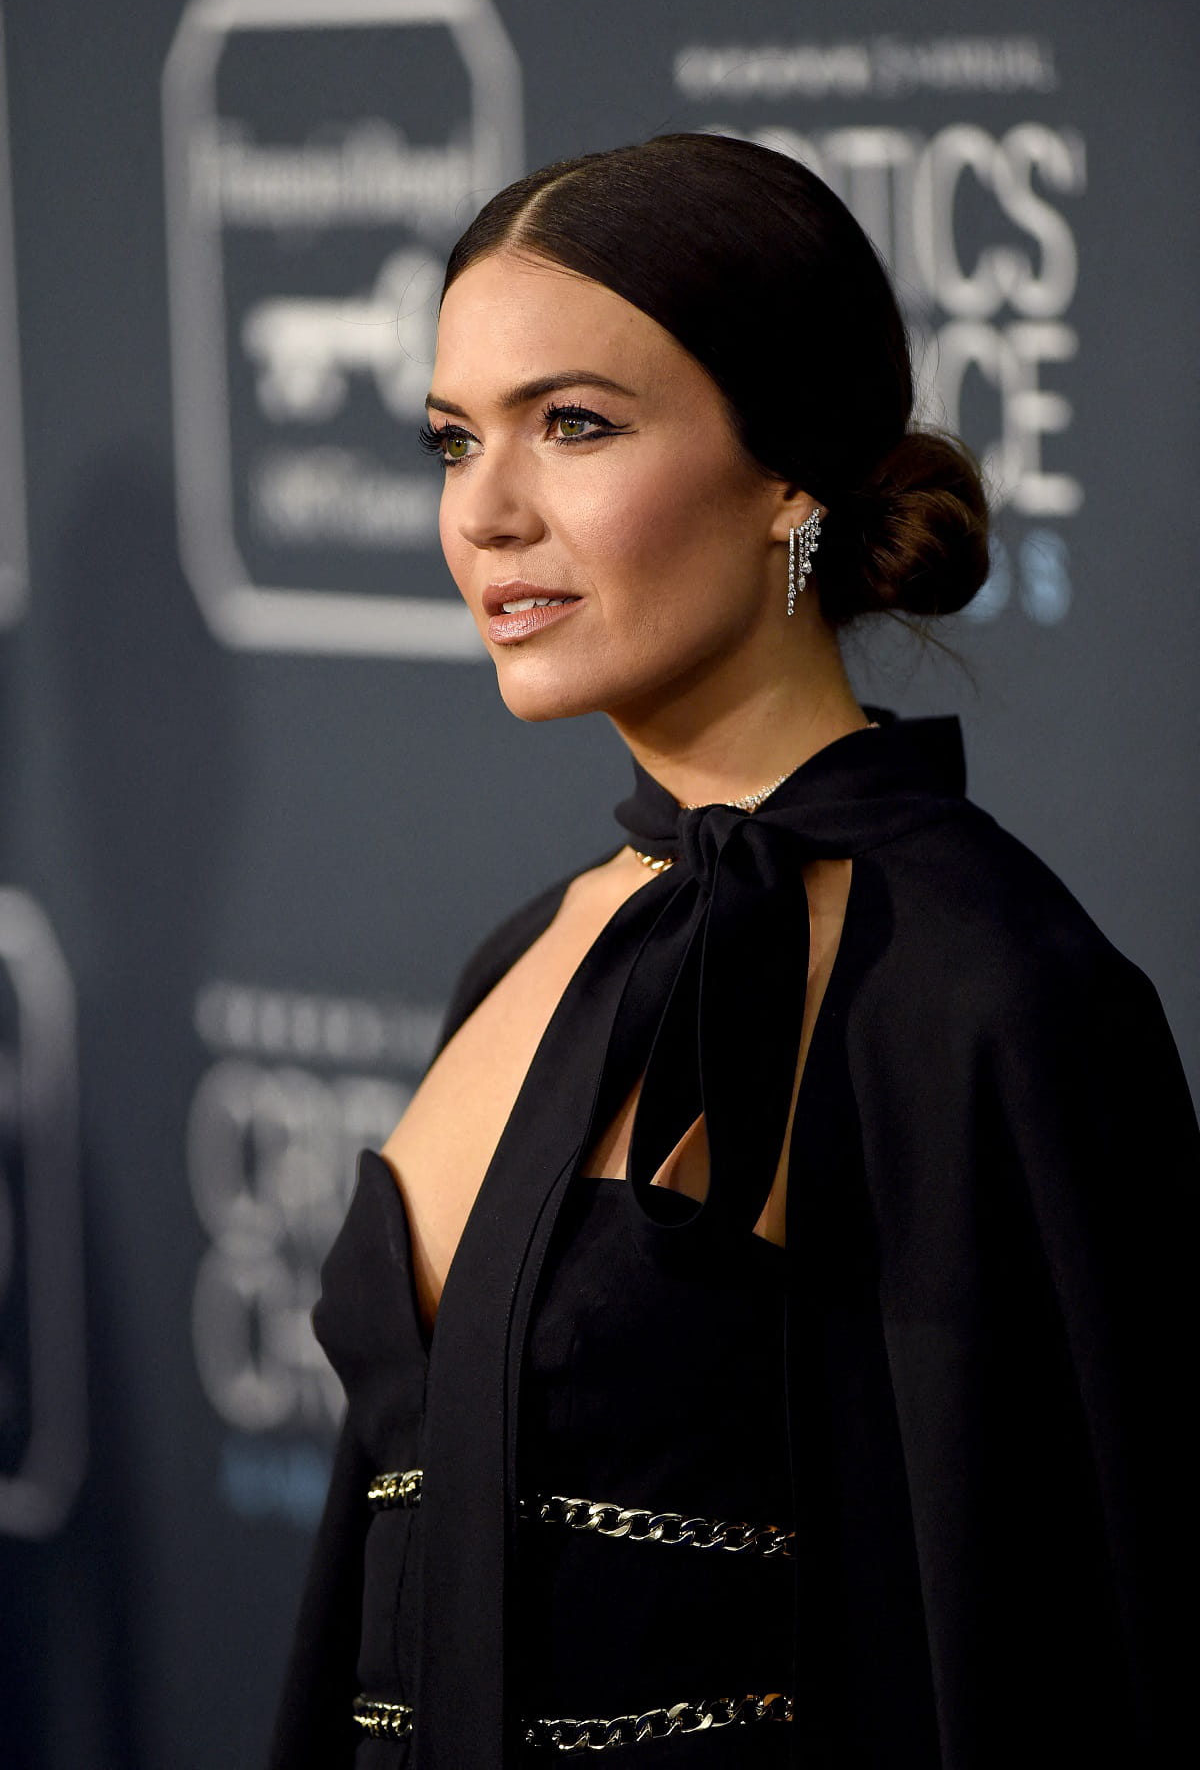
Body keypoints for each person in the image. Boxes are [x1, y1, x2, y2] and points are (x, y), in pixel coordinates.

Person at [269, 134, 1198, 1770]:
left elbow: (1088, 1641)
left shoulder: (988, 995)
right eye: (452, 439)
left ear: (790, 475)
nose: (484, 512)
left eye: (573, 424)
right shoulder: (527, 955)